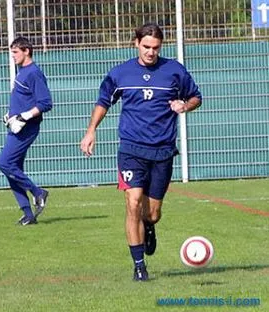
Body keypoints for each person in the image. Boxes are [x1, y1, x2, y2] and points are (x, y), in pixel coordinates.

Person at [80, 23, 202, 281]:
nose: (150, 52)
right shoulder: (120, 73)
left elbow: (196, 97)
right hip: (131, 150)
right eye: (146, 47)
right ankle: (139, 266)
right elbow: (103, 102)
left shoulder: (174, 71)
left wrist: (184, 105)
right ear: (136, 43)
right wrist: (91, 131)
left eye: (155, 48)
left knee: (152, 214)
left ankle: (149, 226)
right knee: (133, 203)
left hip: (162, 151)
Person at [0, 37, 53, 226]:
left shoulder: (33, 73)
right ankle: (28, 213)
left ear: (26, 51)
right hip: (17, 127)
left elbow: (45, 103)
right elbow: (23, 100)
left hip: (26, 129)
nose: (12, 56)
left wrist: (24, 117)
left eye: (15, 52)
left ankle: (38, 192)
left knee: (4, 163)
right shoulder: (22, 72)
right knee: (12, 169)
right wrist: (10, 115)